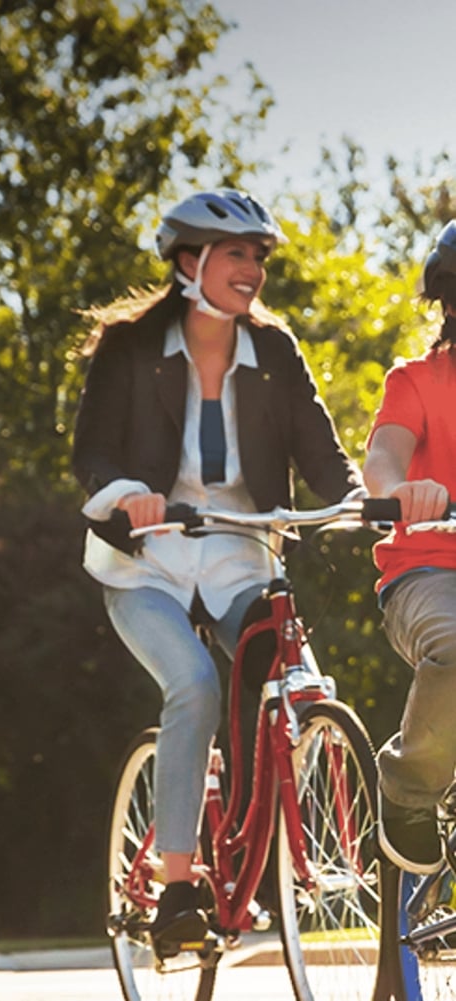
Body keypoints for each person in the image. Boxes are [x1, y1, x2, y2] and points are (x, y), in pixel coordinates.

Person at [72, 189, 363, 952]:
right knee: (194, 682)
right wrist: (127, 493)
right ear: (189, 261)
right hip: (149, 562)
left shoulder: (275, 352)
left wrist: (361, 500)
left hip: (240, 554)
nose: (253, 270)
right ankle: (176, 887)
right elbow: (91, 452)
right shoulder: (131, 347)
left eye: (259, 257)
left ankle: (267, 848)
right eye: (238, 254)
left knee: (296, 688)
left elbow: (321, 455)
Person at [362, 219, 456, 875]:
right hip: (426, 569)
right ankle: (409, 789)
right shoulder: (418, 380)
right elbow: (383, 457)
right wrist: (402, 490)